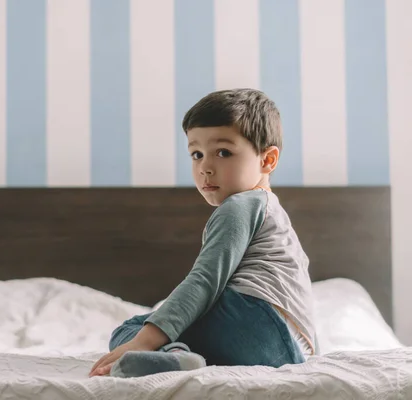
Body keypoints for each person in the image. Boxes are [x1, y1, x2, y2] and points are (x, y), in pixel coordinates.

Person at [89, 88, 318, 379]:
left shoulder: (240, 205)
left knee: (131, 329)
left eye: (223, 152)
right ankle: (181, 356)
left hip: (253, 324)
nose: (206, 168)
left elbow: (205, 280)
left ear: (267, 160)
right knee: (160, 322)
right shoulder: (274, 213)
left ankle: (176, 357)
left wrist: (143, 341)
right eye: (196, 154)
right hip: (289, 349)